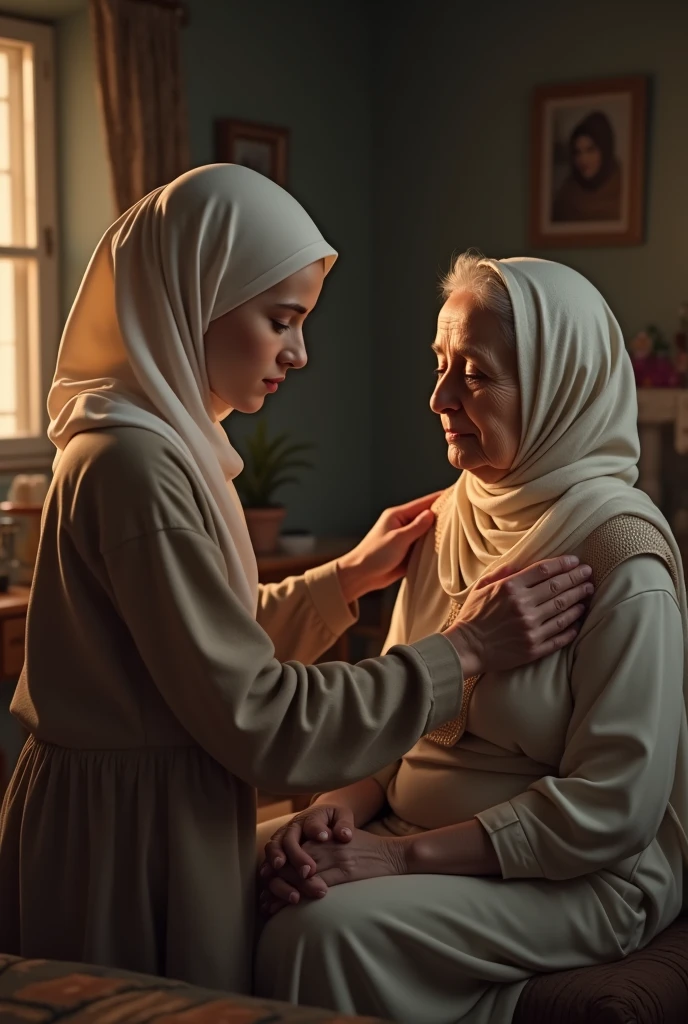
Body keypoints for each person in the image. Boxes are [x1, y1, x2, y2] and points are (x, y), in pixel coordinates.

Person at [0, 169, 591, 993]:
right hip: (126, 843)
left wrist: (342, 581)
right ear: (194, 298)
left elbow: (196, 646)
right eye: (281, 320)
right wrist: (464, 653)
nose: (299, 353)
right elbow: (257, 715)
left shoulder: (151, 445)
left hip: (134, 814)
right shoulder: (138, 468)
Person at [255, 255, 688, 1024]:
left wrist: (394, 856)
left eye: (476, 376)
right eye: (439, 365)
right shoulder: (447, 517)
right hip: (404, 829)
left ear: (560, 389)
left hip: (573, 878)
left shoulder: (622, 555)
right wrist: (338, 811)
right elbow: (396, 726)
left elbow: (615, 808)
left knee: (317, 933)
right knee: (229, 876)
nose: (439, 398)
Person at [552, 111, 622, 222]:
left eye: (591, 150)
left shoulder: (624, 188)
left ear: (604, 150)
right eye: (578, 152)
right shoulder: (566, 195)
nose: (583, 159)